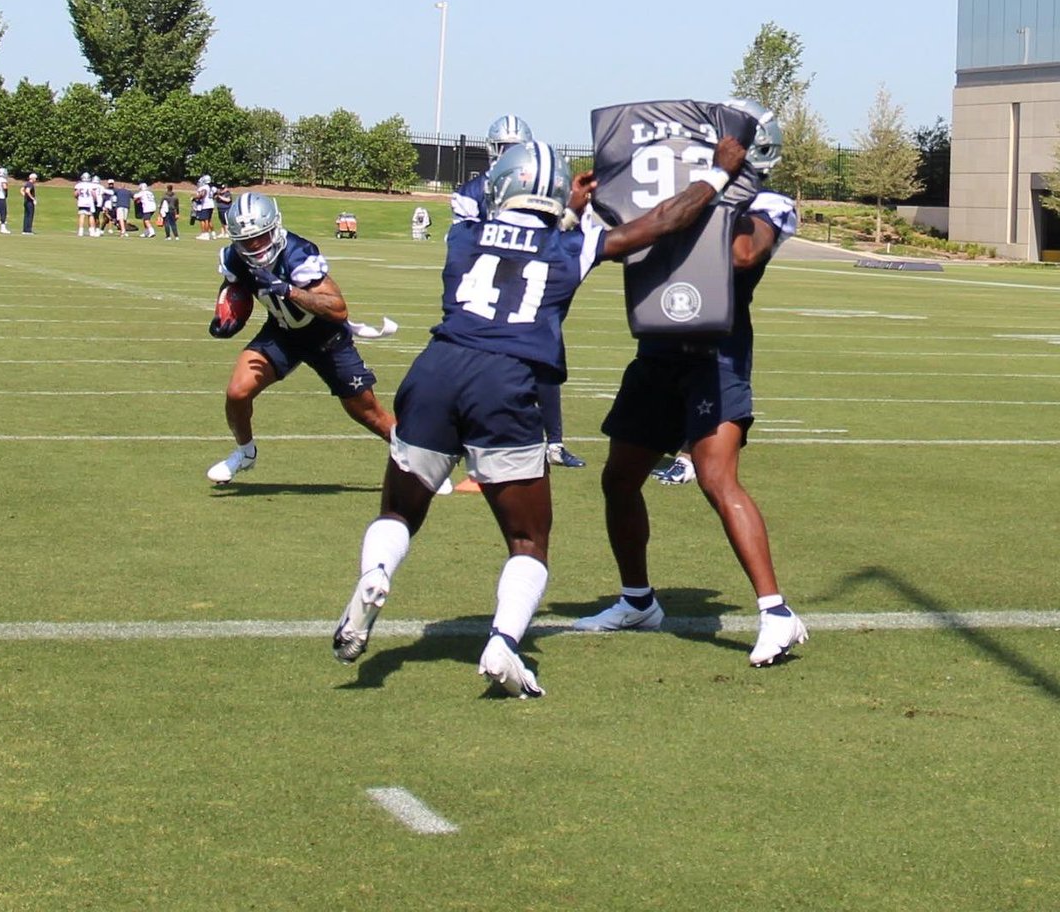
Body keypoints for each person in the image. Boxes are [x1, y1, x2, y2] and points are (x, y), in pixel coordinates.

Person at [332, 133, 747, 698]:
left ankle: (376, 573)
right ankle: (503, 643)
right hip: (504, 383)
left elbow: (508, 233)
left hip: (436, 369)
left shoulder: (465, 231)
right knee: (528, 541)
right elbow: (663, 222)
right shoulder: (569, 246)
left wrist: (566, 208)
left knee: (399, 512)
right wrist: (718, 174)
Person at [573, 108, 808, 667]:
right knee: (619, 479)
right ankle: (638, 601)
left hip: (716, 354)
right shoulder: (683, 191)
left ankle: (776, 613)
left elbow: (743, 254)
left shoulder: (770, 203)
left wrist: (715, 188)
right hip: (657, 351)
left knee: (716, 478)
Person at [205, 192, 397, 484]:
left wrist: (289, 290)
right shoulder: (235, 257)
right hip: (282, 333)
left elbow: (338, 309)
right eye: (247, 241)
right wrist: (226, 316)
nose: (255, 246)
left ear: (275, 227)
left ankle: (419, 461)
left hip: (327, 339)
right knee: (237, 393)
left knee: (370, 414)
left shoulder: (298, 253)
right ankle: (245, 452)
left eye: (260, 236)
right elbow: (233, 286)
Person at [450, 115, 584, 491]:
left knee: (545, 357)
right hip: (489, 287)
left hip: (531, 280)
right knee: (483, 367)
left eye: (513, 147)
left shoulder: (543, 185)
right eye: (503, 147)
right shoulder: (472, 191)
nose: (507, 153)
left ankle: (553, 443)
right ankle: (472, 449)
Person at [194, 175, 215, 239]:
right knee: (208, 220)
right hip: (211, 204)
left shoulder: (205, 187)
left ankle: (205, 234)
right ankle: (212, 234)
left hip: (206, 205)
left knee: (204, 220)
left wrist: (195, 198)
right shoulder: (211, 187)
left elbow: (202, 194)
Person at [74, 172, 95, 236]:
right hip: (89, 202)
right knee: (91, 216)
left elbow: (75, 194)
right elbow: (93, 194)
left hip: (82, 202)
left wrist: (78, 198)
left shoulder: (79, 185)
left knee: (82, 216)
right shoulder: (92, 185)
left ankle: (81, 231)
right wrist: (94, 200)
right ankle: (92, 231)